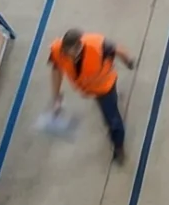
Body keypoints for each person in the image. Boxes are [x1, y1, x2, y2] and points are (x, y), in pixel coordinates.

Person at [47, 29, 135, 163]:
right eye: (64, 52)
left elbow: (117, 50)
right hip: (88, 87)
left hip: (104, 87)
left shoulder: (99, 45)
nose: (66, 56)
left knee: (112, 119)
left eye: (69, 53)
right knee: (107, 107)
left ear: (79, 47)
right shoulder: (59, 51)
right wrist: (56, 96)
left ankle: (118, 146)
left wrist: (128, 61)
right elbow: (56, 70)